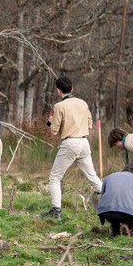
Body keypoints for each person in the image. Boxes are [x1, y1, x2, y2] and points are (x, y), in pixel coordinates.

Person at [43, 75, 103, 220]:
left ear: (58, 91)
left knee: (55, 178)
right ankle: (110, 198)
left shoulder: (59, 106)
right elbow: (90, 125)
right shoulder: (83, 103)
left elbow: (54, 131)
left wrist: (49, 122)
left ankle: (56, 211)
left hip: (70, 144)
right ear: (72, 88)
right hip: (84, 143)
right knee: (92, 177)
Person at [97, 164, 133, 236]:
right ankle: (128, 226)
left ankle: (115, 230)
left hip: (106, 212)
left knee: (115, 209)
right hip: (128, 214)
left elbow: (103, 197)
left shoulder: (109, 177)